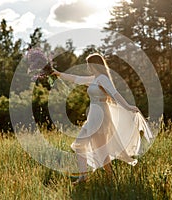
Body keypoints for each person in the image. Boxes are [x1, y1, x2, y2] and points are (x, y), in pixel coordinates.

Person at [52, 53, 152, 184]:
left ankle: (110, 178)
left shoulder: (103, 79)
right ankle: (84, 176)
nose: (88, 67)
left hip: (101, 117)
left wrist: (128, 106)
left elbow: (115, 94)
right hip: (93, 115)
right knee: (80, 145)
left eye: (89, 64)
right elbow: (76, 78)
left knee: (101, 150)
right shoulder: (94, 79)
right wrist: (57, 73)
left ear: (95, 65)